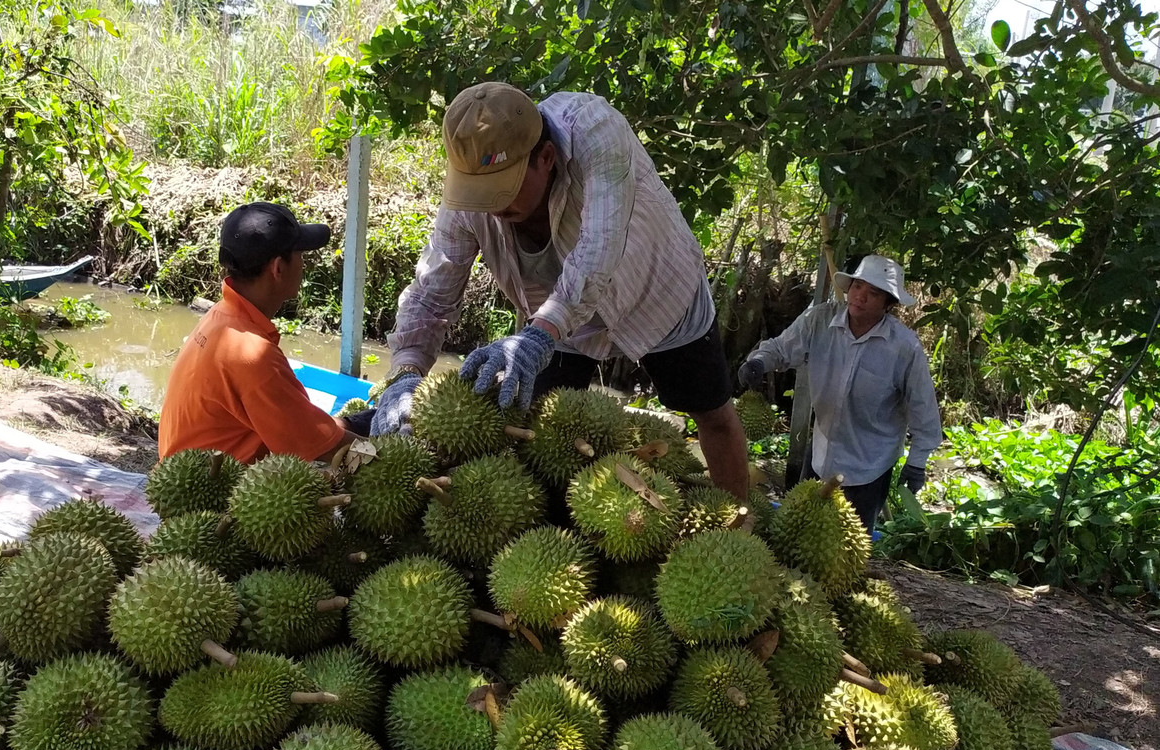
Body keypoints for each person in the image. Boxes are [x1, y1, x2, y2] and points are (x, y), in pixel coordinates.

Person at [370, 81, 749, 499]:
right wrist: (404, 375)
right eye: (481, 194)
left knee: (711, 412)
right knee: (542, 431)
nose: (493, 208)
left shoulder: (596, 132)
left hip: (656, 287)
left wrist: (536, 337)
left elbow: (598, 252)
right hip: (553, 312)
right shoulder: (469, 195)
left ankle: (738, 523)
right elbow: (431, 291)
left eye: (505, 192)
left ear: (545, 159)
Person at [737, 254, 943, 531]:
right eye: (858, 287)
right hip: (821, 451)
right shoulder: (819, 320)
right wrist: (759, 362)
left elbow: (923, 408)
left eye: (873, 293)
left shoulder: (904, 348)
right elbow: (781, 348)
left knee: (847, 548)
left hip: (869, 464)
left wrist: (917, 462)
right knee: (797, 532)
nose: (861, 296)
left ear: (888, 304)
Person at [158, 202, 364, 464]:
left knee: (360, 422)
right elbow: (321, 447)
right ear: (278, 268)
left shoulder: (220, 316)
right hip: (218, 497)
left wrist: (352, 424)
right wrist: (389, 451)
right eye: (300, 254)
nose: (304, 264)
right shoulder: (253, 355)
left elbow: (304, 425)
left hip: (182, 475)